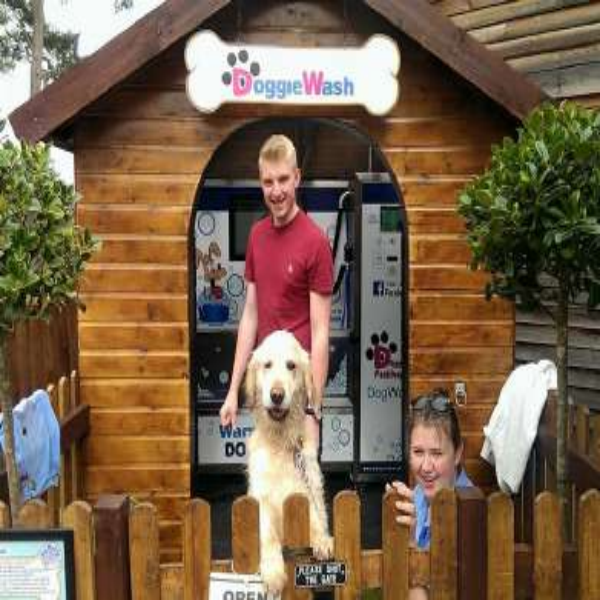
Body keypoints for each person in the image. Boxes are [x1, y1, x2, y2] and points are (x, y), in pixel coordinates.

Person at [219, 134, 333, 441]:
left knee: (300, 488)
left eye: (283, 179)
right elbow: (251, 315)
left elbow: (321, 332)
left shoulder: (316, 242)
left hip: (297, 398)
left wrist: (314, 408)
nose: (277, 191)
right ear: (261, 183)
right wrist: (232, 392)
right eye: (269, 182)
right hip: (267, 393)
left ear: (297, 177)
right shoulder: (257, 235)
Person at [387, 389, 473, 598]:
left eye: (436, 453)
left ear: (458, 453)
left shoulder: (469, 516)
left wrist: (410, 545)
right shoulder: (417, 494)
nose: (426, 467)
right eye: (418, 452)